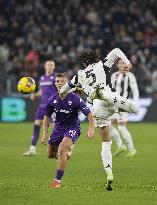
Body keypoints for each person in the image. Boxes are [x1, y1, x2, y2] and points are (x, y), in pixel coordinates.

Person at [60, 48, 139, 191]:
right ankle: (124, 105)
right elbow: (115, 50)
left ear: (84, 61)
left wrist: (63, 92)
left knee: (106, 143)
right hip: (109, 98)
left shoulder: (80, 74)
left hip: (97, 106)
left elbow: (65, 88)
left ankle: (109, 173)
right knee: (117, 103)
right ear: (95, 57)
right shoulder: (102, 64)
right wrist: (127, 63)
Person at [41, 72, 94, 189]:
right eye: (57, 81)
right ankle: (64, 155)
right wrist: (44, 134)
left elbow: (89, 114)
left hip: (73, 128)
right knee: (50, 154)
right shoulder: (52, 99)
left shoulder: (75, 99)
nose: (59, 83)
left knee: (62, 148)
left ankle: (57, 181)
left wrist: (91, 130)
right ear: (55, 83)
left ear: (67, 83)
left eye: (62, 81)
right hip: (58, 129)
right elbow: (46, 117)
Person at [23, 60, 56, 156]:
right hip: (42, 106)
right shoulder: (42, 78)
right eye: (48, 65)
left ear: (53, 67)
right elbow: (42, 91)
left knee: (55, 127)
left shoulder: (55, 78)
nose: (49, 66)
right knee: (37, 125)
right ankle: (32, 149)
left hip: (52, 106)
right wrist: (35, 95)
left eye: (51, 65)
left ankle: (63, 147)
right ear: (45, 66)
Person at [110, 59, 139, 157]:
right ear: (118, 65)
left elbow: (135, 92)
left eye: (124, 63)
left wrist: (135, 105)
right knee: (108, 125)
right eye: (120, 63)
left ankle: (132, 149)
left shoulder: (130, 76)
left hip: (123, 104)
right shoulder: (114, 75)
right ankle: (121, 145)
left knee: (121, 128)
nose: (122, 65)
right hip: (113, 105)